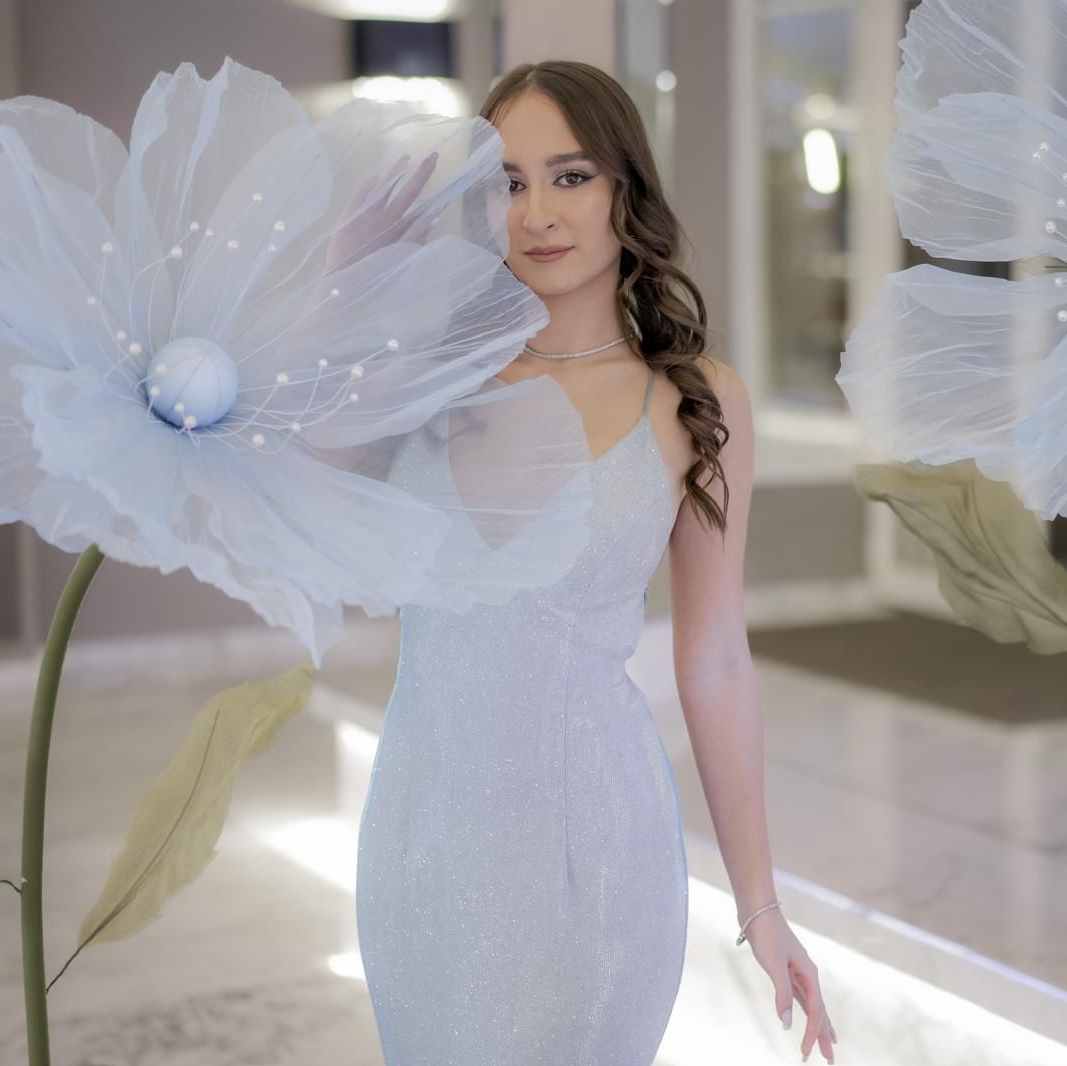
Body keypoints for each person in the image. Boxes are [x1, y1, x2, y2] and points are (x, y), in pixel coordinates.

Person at [354, 60, 838, 1065]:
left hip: (596, 852)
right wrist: (349, 283)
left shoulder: (693, 399)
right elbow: (287, 482)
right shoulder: (427, 374)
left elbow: (714, 658)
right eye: (508, 182)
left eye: (570, 176)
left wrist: (760, 903)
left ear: (627, 186)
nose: (536, 212)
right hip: (421, 841)